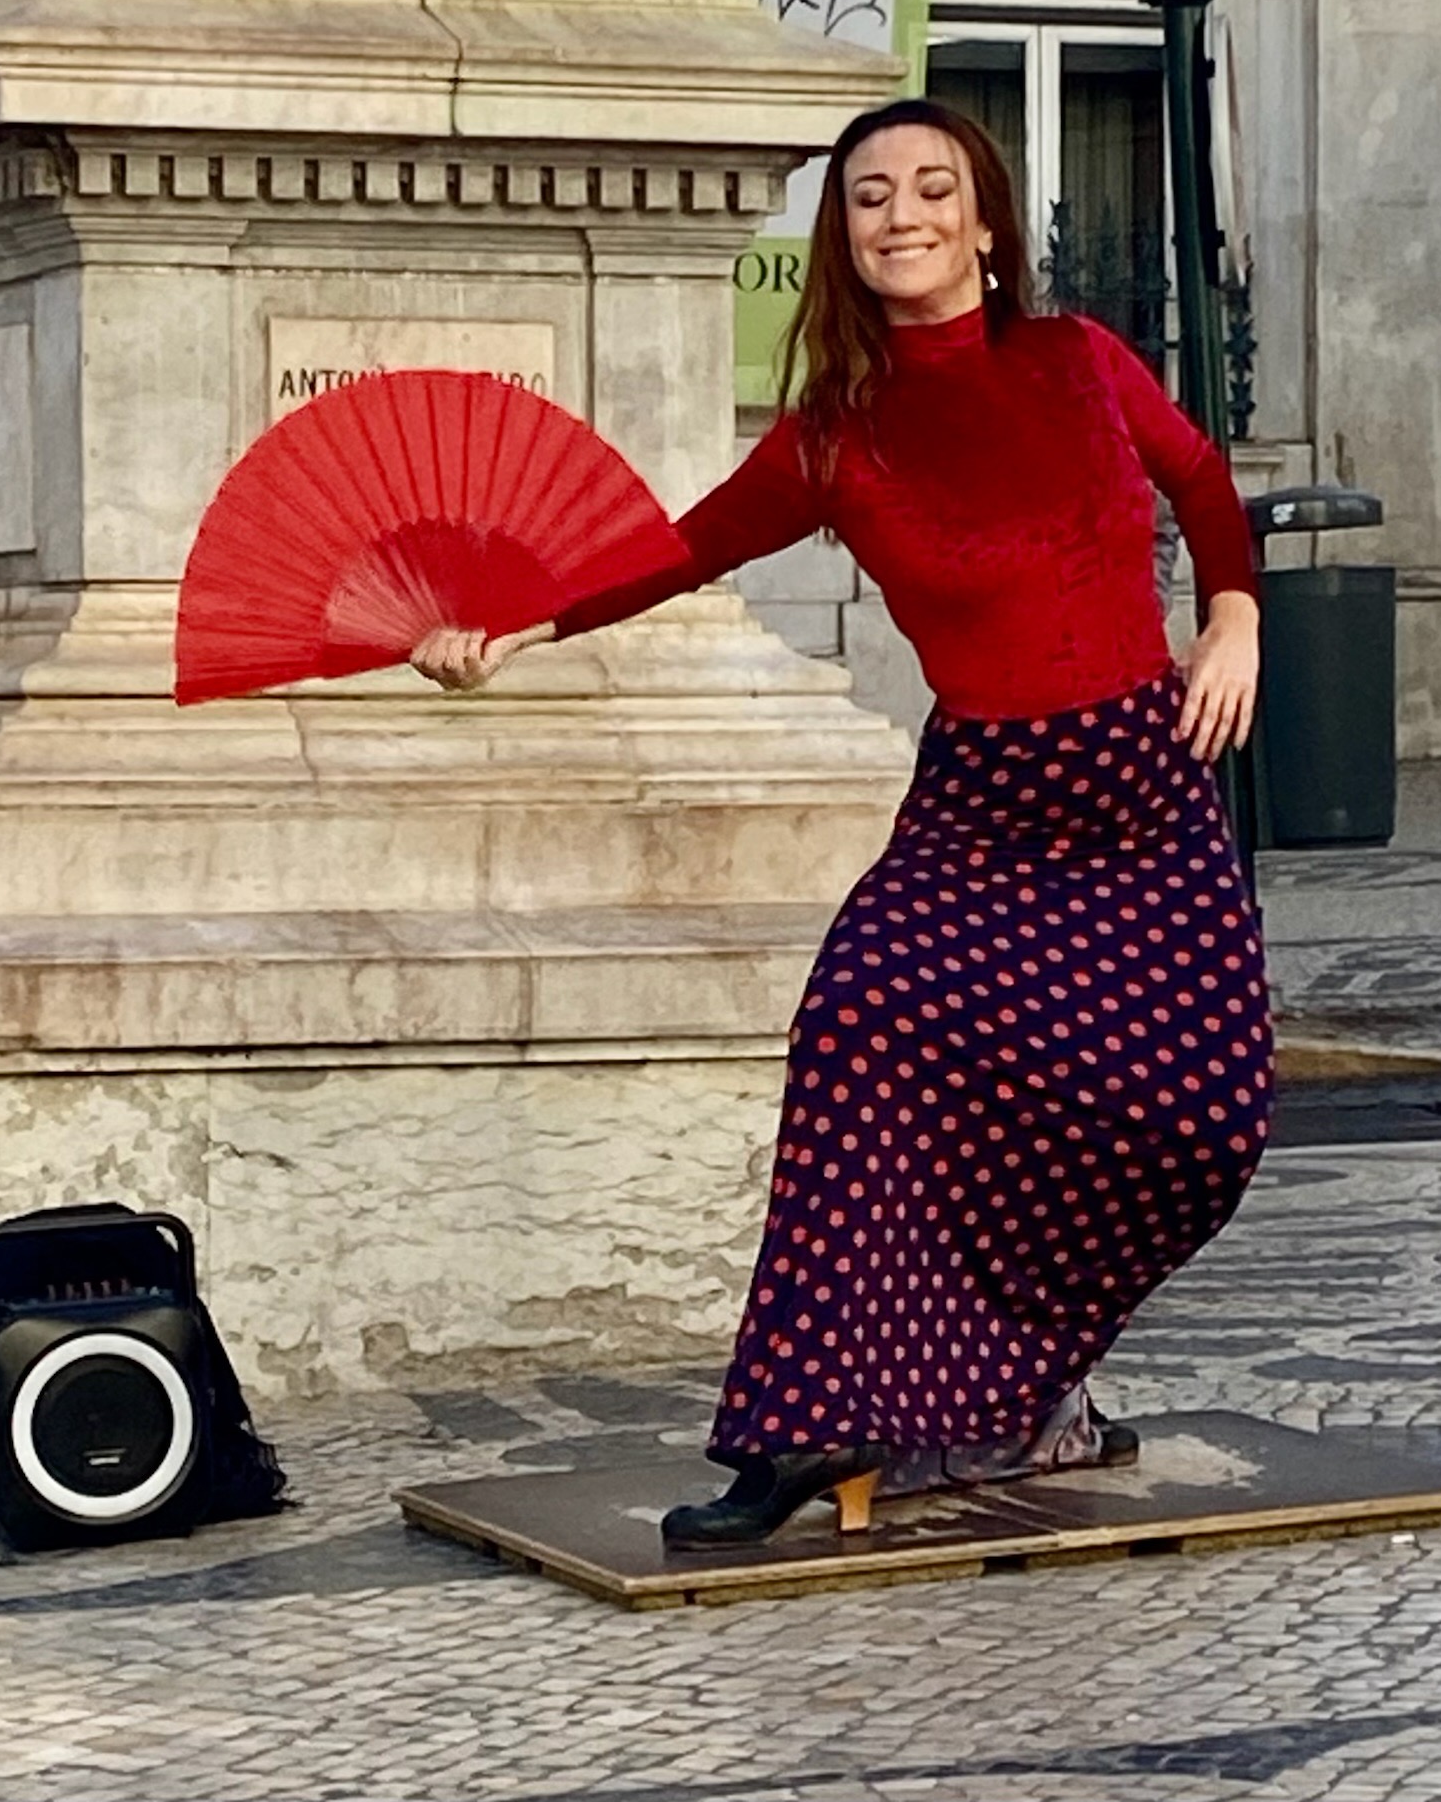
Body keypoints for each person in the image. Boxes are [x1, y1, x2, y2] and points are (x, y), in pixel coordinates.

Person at [411, 98, 1271, 1549]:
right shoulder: (835, 435)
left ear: (986, 223)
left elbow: (1194, 475)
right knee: (857, 1033)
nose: (902, 215)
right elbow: (672, 549)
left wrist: (1233, 611)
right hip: (981, 808)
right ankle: (804, 1432)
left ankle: (1019, 1383)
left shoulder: (1078, 363)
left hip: (1137, 782)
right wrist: (503, 625)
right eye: (869, 197)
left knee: (1198, 1118)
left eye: (933, 189)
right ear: (842, 236)